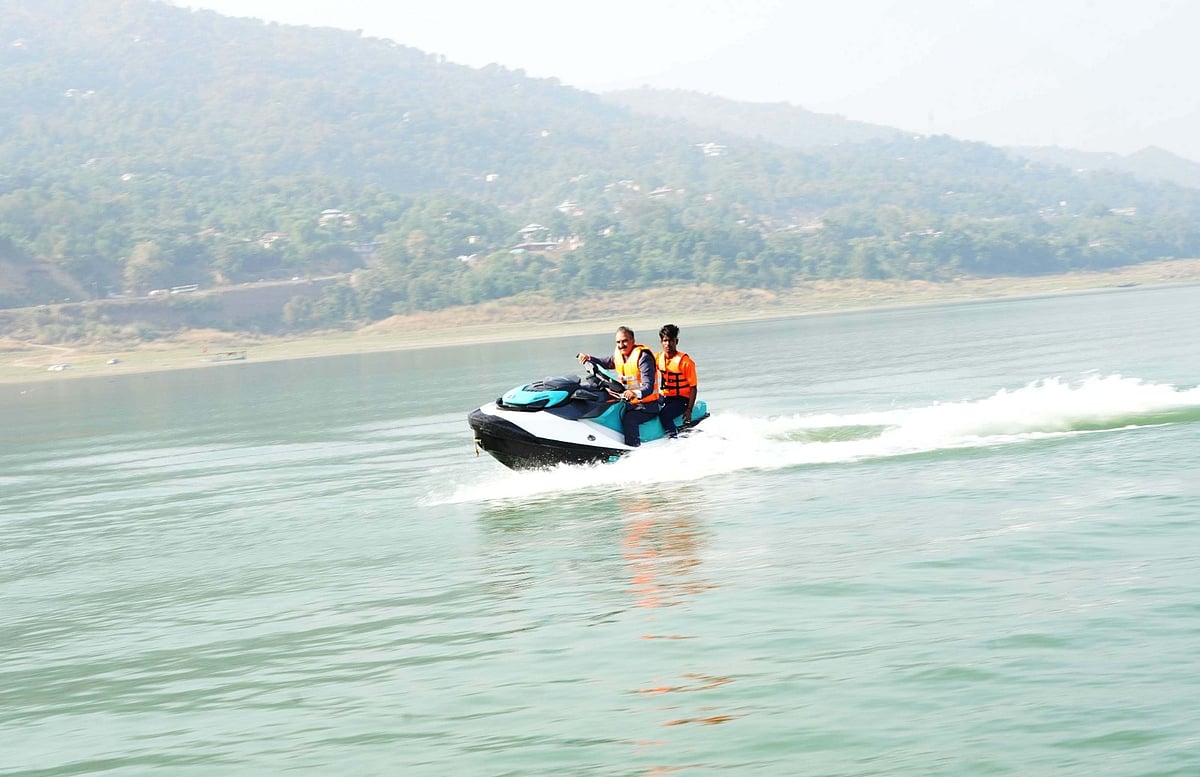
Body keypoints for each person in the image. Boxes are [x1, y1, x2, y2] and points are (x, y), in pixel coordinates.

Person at [577, 326, 661, 446]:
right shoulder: (619, 356)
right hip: (629, 403)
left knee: (630, 419)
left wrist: (634, 393)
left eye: (624, 341)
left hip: (647, 406)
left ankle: (632, 449)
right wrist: (589, 358)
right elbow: (605, 362)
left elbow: (649, 387)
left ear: (633, 341)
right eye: (618, 342)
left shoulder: (644, 358)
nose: (621, 345)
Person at [655, 324, 698, 439]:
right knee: (649, 405)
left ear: (676, 341)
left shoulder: (686, 362)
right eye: (665, 341)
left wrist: (689, 409)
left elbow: (693, 387)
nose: (668, 344)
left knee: (664, 415)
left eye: (671, 340)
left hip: (682, 399)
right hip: (665, 396)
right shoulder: (658, 358)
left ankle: (673, 439)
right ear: (661, 342)